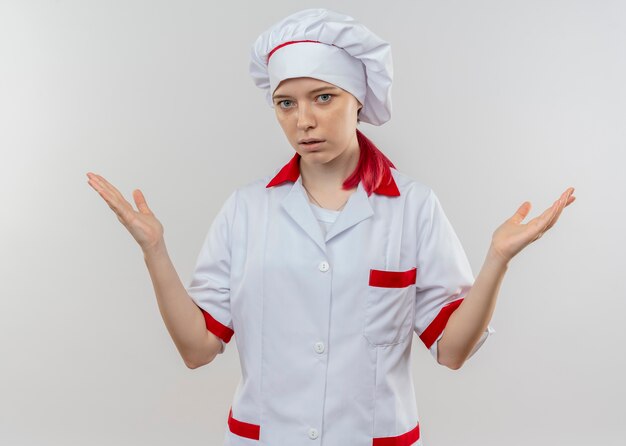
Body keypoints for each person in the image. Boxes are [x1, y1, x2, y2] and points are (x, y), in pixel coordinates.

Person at [86, 8, 575, 446]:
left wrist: (497, 260)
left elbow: (451, 351)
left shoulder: (413, 208)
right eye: (286, 103)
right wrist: (154, 249)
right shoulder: (246, 210)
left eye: (323, 97)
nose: (304, 120)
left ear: (358, 100)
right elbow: (197, 350)